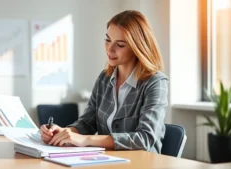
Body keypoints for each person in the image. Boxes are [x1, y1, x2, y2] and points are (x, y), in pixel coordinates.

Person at [39, 10, 168, 153]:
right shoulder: (104, 78)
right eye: (107, 40)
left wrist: (85, 140)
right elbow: (88, 122)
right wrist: (64, 132)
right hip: (107, 160)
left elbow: (145, 139)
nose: (110, 49)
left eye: (120, 44)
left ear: (137, 47)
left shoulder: (156, 83)